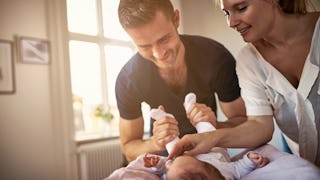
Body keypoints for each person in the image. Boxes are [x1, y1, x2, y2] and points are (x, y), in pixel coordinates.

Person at [168, 0, 320, 167]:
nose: (231, 23)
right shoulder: (249, 60)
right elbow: (260, 126)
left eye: (241, 8)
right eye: (226, 13)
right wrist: (210, 138)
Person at [116, 0, 246, 162]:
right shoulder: (128, 79)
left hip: (206, 151)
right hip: (162, 154)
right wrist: (155, 143)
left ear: (176, 19)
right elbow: (128, 148)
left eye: (163, 39)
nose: (158, 54)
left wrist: (215, 126)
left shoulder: (216, 58)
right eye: (144, 46)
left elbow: (243, 121)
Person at [106, 148, 270, 180]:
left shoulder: (225, 173)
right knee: (205, 128)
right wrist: (250, 159)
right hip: (209, 149)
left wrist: (249, 160)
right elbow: (238, 167)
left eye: (170, 165)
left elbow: (237, 167)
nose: (167, 164)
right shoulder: (222, 172)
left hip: (216, 150)